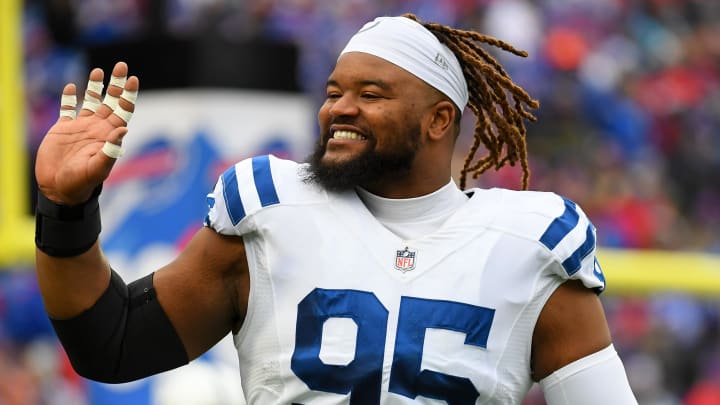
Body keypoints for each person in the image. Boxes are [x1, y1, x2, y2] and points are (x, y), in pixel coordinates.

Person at [33, 13, 638, 404]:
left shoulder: (528, 242)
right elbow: (109, 345)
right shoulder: (272, 211)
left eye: (370, 94)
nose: (338, 109)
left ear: (438, 119)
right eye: (333, 92)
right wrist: (67, 205)